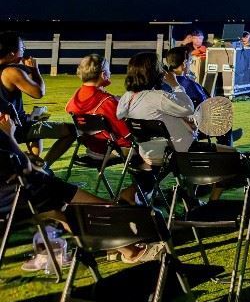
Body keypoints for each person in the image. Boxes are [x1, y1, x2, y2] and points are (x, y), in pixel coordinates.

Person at [1, 112, 160, 268]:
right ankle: (135, 234)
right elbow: (23, 167)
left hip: (15, 200)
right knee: (97, 208)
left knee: (64, 213)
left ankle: (123, 246)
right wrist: (9, 135)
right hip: (24, 196)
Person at [0, 32, 75, 165]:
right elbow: (38, 93)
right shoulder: (10, 72)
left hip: (9, 124)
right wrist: (35, 70)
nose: (24, 51)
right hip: (13, 128)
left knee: (36, 119)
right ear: (12, 53)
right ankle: (43, 167)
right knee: (71, 131)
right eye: (22, 48)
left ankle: (34, 162)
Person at [116, 52, 197, 162]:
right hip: (173, 152)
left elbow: (124, 115)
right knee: (226, 154)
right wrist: (175, 85)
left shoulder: (127, 97)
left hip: (146, 152)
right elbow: (188, 109)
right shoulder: (159, 97)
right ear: (153, 73)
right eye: (159, 66)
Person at [63, 54, 132, 158]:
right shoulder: (106, 101)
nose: (110, 73)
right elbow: (127, 133)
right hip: (113, 149)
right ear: (103, 74)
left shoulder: (76, 97)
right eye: (109, 70)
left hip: (92, 146)